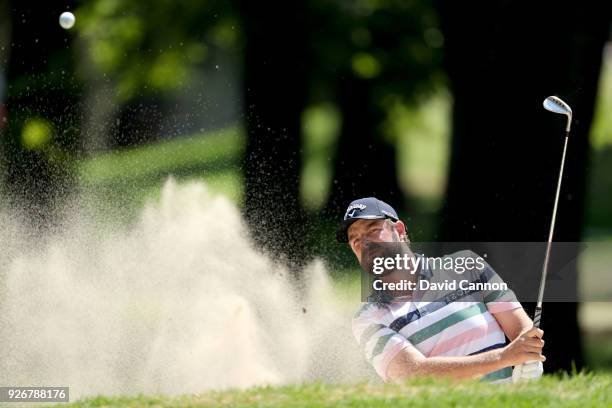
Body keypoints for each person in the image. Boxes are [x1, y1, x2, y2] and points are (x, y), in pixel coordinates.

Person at [337, 197, 544, 383]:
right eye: (354, 240)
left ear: (399, 231)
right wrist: (504, 358)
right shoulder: (368, 318)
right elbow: (413, 375)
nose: (364, 243)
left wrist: (529, 359)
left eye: (373, 230)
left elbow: (522, 332)